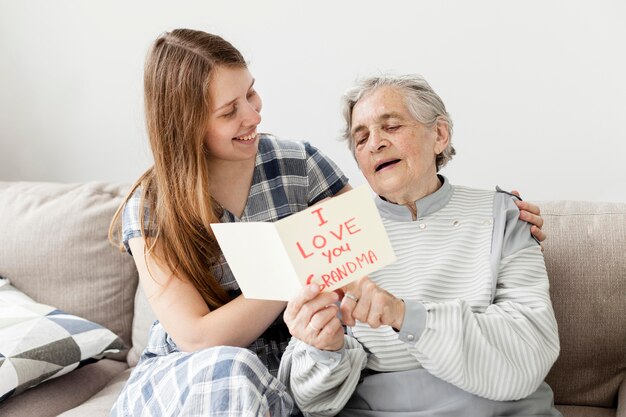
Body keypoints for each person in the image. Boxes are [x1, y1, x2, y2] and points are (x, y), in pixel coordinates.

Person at [108, 29, 546, 417]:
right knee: (232, 370)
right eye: (229, 111)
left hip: (286, 377)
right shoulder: (150, 207)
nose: (254, 115)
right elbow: (201, 340)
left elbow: (378, 225)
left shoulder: (299, 164)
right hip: (199, 379)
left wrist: (494, 215)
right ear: (186, 125)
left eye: (251, 94)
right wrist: (304, 260)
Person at [280, 74, 561, 417]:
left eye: (391, 126)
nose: (375, 144)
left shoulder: (503, 214)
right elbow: (313, 402)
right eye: (361, 137)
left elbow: (528, 351)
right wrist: (325, 349)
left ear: (439, 135)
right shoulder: (335, 232)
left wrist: (403, 315)